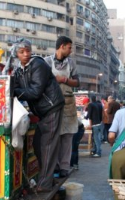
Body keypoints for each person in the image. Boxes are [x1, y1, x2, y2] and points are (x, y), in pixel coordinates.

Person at [12, 38, 65, 192]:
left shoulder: (37, 64)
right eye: (22, 52)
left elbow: (35, 92)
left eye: (28, 50)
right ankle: (47, 177)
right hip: (42, 111)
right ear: (16, 54)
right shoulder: (19, 69)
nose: (26, 54)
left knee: (47, 145)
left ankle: (45, 183)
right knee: (37, 145)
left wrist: (13, 92)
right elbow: (15, 85)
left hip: (52, 107)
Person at [45, 36, 80, 177]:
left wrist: (64, 80)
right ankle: (55, 167)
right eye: (69, 47)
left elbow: (77, 83)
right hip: (52, 103)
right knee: (55, 136)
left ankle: (65, 166)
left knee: (67, 136)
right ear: (62, 46)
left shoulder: (71, 63)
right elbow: (44, 80)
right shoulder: (47, 62)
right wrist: (54, 80)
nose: (71, 50)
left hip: (68, 103)